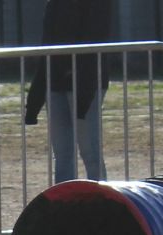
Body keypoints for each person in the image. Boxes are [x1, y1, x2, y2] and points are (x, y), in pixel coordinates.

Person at [24, 0, 112, 184]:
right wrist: (36, 95)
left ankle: (104, 205)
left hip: (86, 81)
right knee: (63, 154)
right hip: (55, 80)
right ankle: (64, 207)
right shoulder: (53, 4)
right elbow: (46, 44)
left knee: (90, 151)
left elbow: (96, 37)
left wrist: (84, 84)